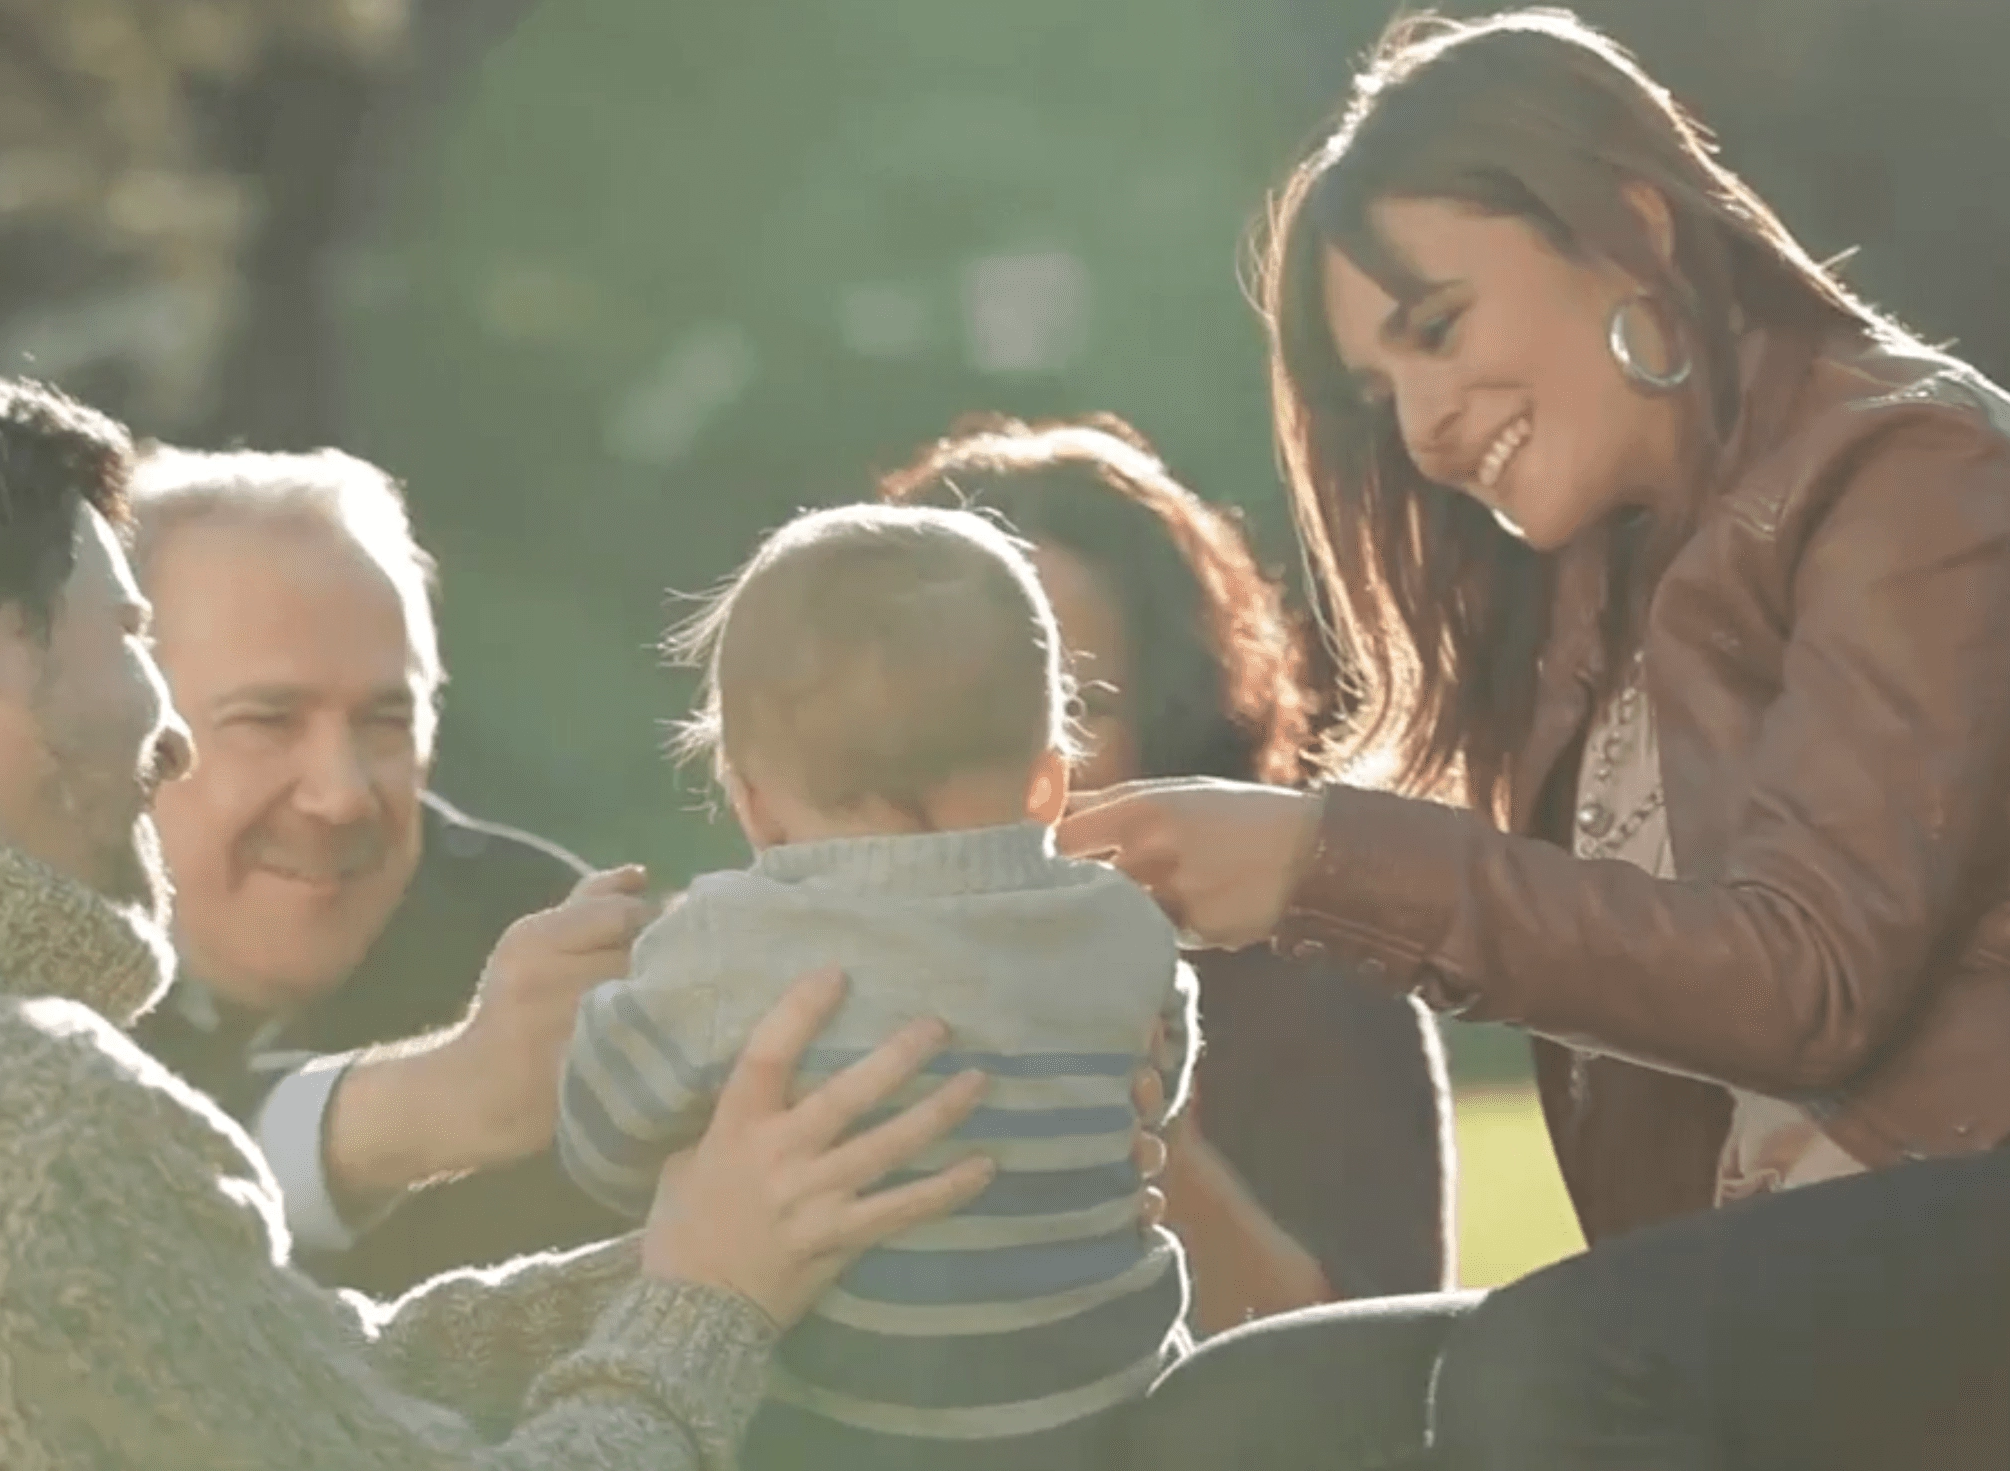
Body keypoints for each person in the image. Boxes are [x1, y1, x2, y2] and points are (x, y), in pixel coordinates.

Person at [0, 334, 1010, 1466]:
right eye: (130, 629)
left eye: (387, 716)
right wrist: (711, 1302)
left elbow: (255, 1372)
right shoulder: (2, 1112)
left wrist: (694, 1253)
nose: (167, 731)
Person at [1077, 10, 2010, 1467]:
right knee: (1248, 1413)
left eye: (1437, 329)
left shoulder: (1911, 471)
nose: (1424, 431)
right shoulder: (1588, 602)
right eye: (1382, 396)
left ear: (1632, 228)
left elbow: (1810, 979)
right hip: (1768, 1281)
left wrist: (1327, 863)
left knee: (1552, 1364)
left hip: (1964, 1216)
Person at [558, 502, 1192, 1471]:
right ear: (1048, 786)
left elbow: (600, 1145)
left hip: (844, 1437)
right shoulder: (1125, 925)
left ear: (753, 804)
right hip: (1108, 1418)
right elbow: (1157, 1087)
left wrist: (602, 1007)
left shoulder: (725, 941)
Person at [881, 413, 1453, 1330]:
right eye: (958, 711)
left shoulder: (1321, 978)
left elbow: (1381, 1374)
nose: (1015, 768)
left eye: (1077, 709)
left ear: (1175, 724)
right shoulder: (789, 973)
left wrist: (1155, 1147)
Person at [124, 445, 629, 1295]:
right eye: (269, 720)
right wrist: (422, 1105)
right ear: (114, 722)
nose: (343, 795)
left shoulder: (544, 949)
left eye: (386, 722)